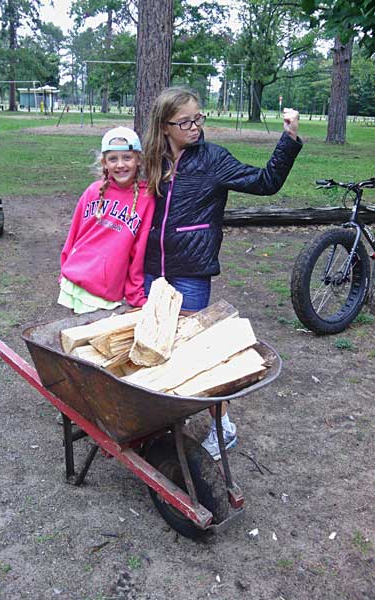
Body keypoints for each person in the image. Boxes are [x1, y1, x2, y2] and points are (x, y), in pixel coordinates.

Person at [142, 87, 302, 460]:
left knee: (196, 351)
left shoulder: (213, 159)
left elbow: (266, 183)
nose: (195, 126)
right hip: (152, 269)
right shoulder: (152, 160)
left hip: (191, 271)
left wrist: (289, 139)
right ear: (164, 126)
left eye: (199, 118)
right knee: (155, 344)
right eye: (185, 122)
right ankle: (164, 417)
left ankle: (223, 427)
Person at [58, 126, 154, 314]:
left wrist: (135, 293)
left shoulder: (146, 198)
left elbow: (139, 249)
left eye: (127, 157)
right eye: (113, 159)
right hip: (76, 278)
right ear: (104, 162)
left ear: (138, 159)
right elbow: (75, 234)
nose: (120, 165)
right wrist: (65, 267)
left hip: (105, 288)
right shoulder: (94, 191)